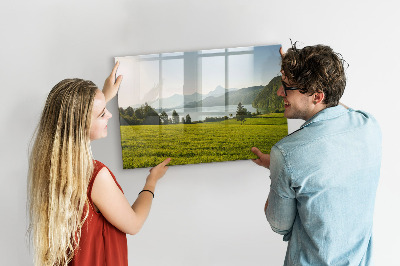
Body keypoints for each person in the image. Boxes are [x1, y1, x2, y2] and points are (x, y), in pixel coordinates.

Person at [27, 62, 171, 266]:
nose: (110, 115)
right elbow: (134, 224)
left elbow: (76, 117)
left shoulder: (51, 164)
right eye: (102, 113)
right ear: (81, 124)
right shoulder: (95, 176)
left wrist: (104, 95)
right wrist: (151, 181)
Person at [251, 43, 382, 265]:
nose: (279, 92)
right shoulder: (369, 125)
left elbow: (279, 225)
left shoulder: (286, 154)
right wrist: (297, 72)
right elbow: (335, 106)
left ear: (317, 96)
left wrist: (277, 168)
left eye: (287, 87)